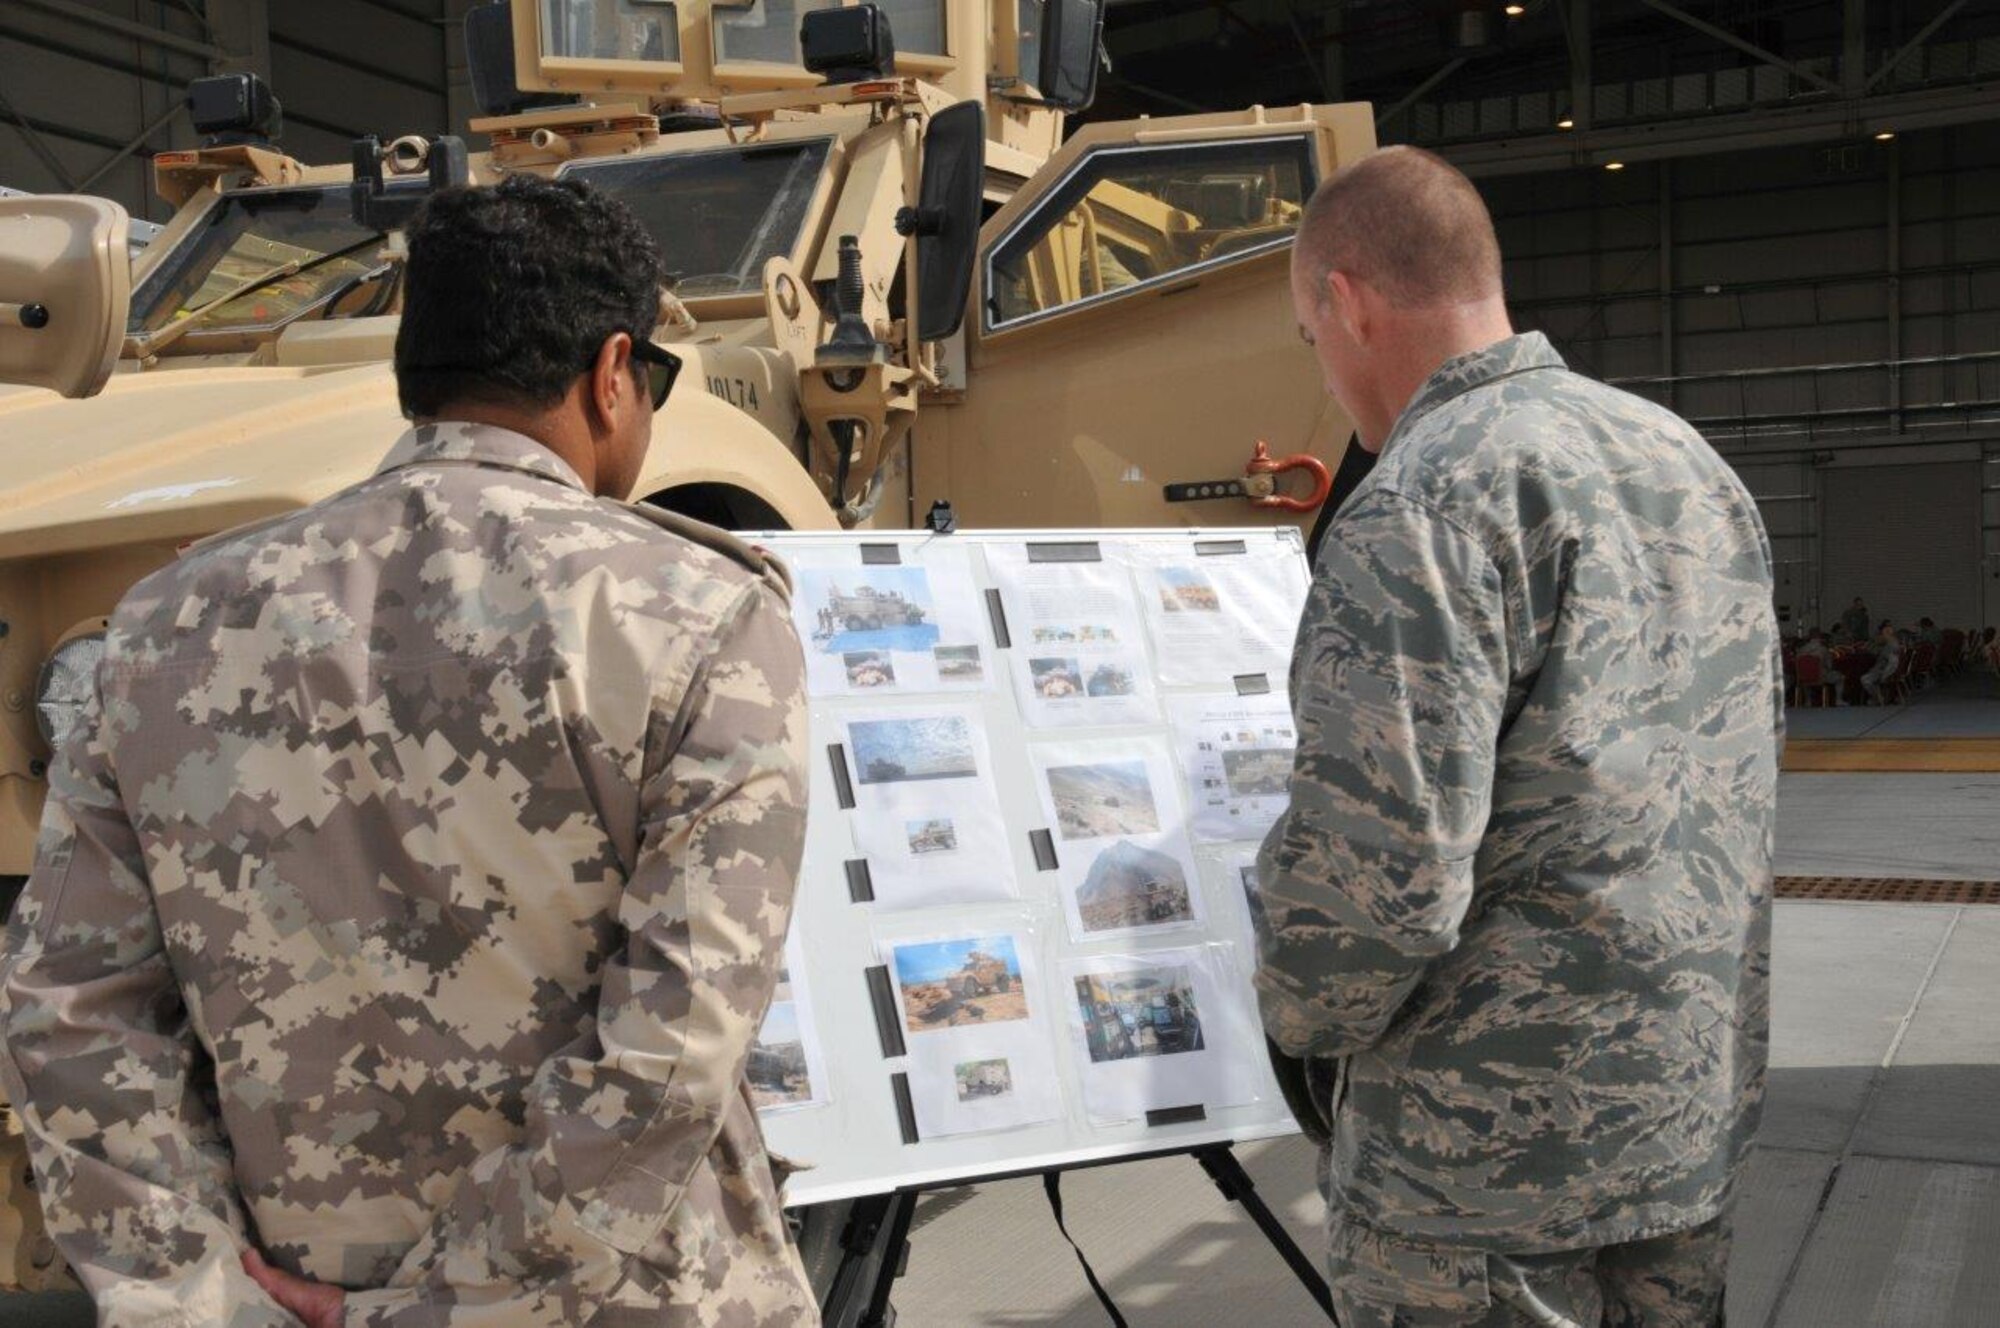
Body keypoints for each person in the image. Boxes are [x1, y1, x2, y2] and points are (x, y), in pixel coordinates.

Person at [0, 175, 816, 1326]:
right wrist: (441, 1308)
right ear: (612, 371)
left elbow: (70, 1010)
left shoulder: (165, 624)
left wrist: (207, 1294)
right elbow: (666, 1057)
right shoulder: (702, 619)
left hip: (290, 1285)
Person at [1256, 146, 1780, 1328]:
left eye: (1307, 334)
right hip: (1677, 1127)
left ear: (1346, 300)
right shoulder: (1686, 466)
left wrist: (1291, 1010)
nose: (1324, 369)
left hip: (1477, 1178)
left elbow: (1375, 886)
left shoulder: (1418, 502)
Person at [1861, 620, 1903, 705]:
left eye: (1881, 635)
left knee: (1865, 679)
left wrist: (1884, 676)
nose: (1879, 637)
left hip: (1883, 672)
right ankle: (1881, 697)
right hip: (1883, 669)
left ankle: (1878, 697)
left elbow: (1892, 663)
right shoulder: (1893, 644)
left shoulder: (1890, 648)